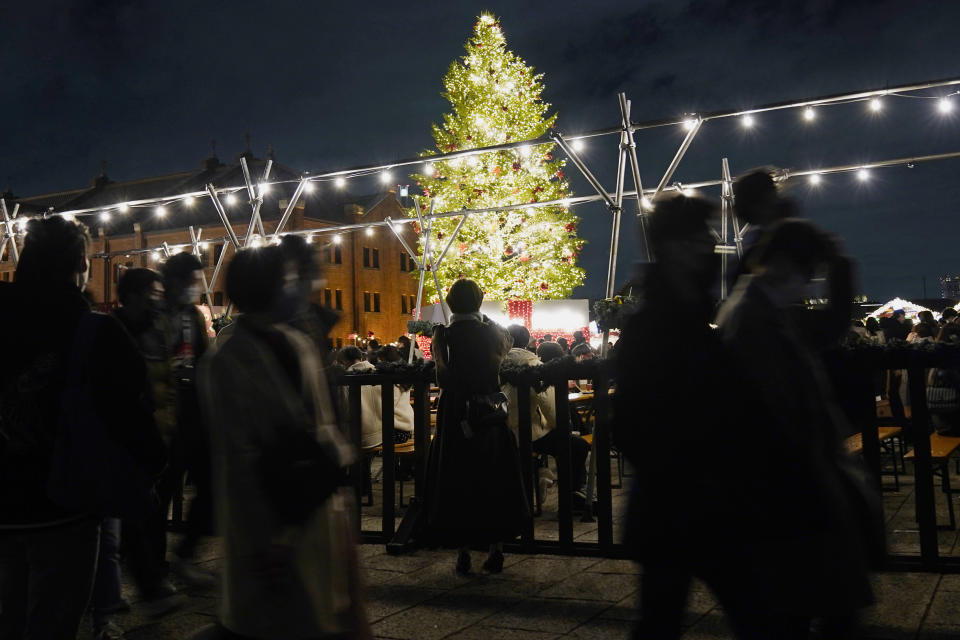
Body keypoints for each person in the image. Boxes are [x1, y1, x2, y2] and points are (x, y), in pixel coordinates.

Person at [0, 217, 165, 639]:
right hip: (62, 504)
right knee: (54, 621)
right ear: (79, 265)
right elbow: (133, 416)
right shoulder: (94, 329)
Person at [197, 246, 369, 639]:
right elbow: (237, 454)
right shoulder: (227, 359)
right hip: (265, 515)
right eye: (289, 280)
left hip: (313, 504)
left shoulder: (297, 342)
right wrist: (274, 536)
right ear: (271, 287)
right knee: (274, 619)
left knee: (315, 614)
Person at [716, 218, 875, 638]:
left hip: (789, 497)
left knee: (810, 612)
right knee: (813, 613)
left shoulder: (758, 310)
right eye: (810, 273)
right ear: (786, 265)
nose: (809, 285)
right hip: (789, 498)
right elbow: (780, 411)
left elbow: (824, 330)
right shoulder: (755, 320)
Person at [421, 279, 529, 575]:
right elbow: (506, 343)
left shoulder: (443, 335)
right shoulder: (494, 333)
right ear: (480, 303)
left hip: (456, 409)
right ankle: (496, 547)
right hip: (489, 408)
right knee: (494, 472)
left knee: (456, 473)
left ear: (451, 304)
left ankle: (463, 550)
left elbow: (441, 376)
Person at [159, 252, 216, 587]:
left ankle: (184, 554)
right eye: (191, 280)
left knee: (207, 484)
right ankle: (152, 562)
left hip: (193, 407)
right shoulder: (156, 314)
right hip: (166, 407)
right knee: (162, 487)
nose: (195, 287)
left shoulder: (194, 315)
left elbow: (204, 356)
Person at [501, 325, 590, 508]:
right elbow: (550, 405)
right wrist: (562, 426)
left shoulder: (495, 363)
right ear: (527, 342)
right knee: (577, 445)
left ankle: (543, 474)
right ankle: (571, 494)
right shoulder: (535, 366)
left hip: (500, 432)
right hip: (528, 434)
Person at [339, 346, 414, 448]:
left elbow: (345, 411)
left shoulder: (347, 380)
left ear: (344, 361)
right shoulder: (391, 375)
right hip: (403, 427)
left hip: (388, 431)